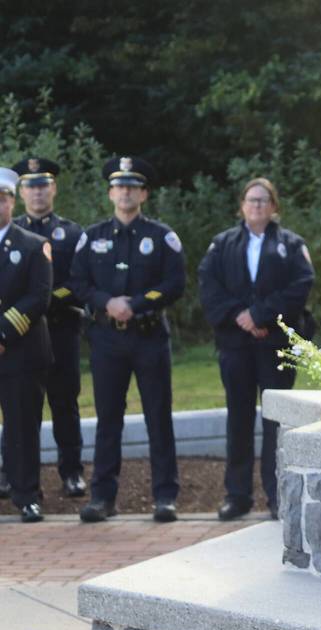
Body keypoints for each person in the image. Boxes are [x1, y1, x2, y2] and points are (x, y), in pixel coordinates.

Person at [69, 156, 186, 523]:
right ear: (110, 194)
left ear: (144, 194)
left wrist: (134, 305)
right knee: (108, 420)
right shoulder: (93, 236)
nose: (125, 193)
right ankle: (102, 497)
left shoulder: (161, 237)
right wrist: (107, 303)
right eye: (119, 187)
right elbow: (78, 283)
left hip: (149, 338)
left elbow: (174, 283)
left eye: (132, 187)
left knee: (157, 417)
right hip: (106, 340)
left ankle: (165, 496)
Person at [198, 178, 314, 521]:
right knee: (239, 419)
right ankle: (237, 496)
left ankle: (277, 495)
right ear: (242, 206)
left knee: (275, 422)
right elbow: (209, 286)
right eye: (252, 200)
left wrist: (261, 315)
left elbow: (301, 286)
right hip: (235, 345)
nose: (257, 206)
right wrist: (240, 317)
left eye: (264, 201)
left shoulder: (291, 245)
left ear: (274, 206)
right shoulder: (222, 245)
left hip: (274, 345)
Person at [10, 157, 87, 497]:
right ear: (20, 192)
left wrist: (43, 299)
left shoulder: (72, 233)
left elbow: (82, 281)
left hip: (60, 329)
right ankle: (9, 472)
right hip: (20, 337)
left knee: (64, 403)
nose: (37, 192)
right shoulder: (8, 235)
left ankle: (71, 472)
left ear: (53, 188)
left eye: (43, 185)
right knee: (16, 406)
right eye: (30, 185)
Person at [0, 167, 53, 522]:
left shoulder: (33, 245)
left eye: (2, 198)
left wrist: (2, 333)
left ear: (12, 201)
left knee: (22, 426)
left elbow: (39, 298)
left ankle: (26, 494)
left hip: (19, 351)